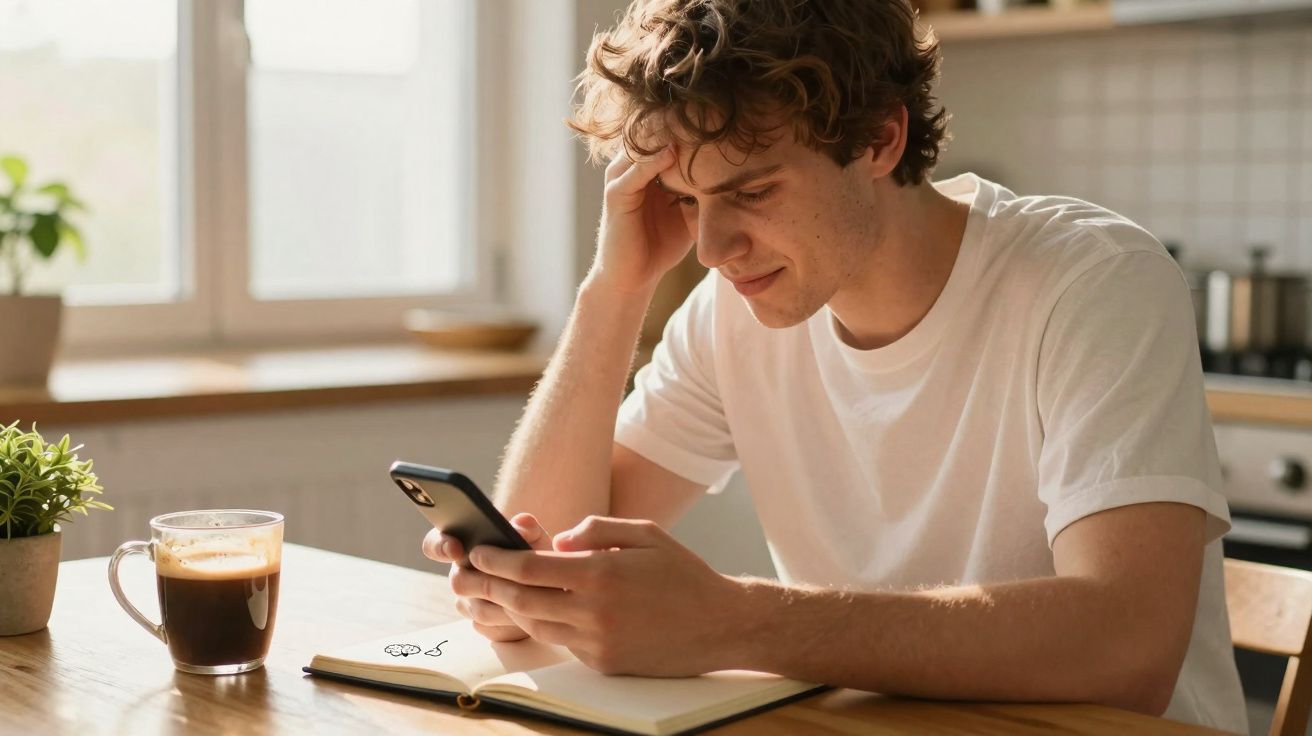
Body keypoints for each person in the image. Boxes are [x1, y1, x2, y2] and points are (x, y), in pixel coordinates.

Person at [421, 0, 1246, 730]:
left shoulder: (1093, 280)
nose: (710, 250)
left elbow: (1126, 645)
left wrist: (737, 621)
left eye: (749, 192)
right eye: (686, 199)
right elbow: (537, 584)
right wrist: (615, 288)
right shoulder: (727, 313)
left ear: (880, 139)